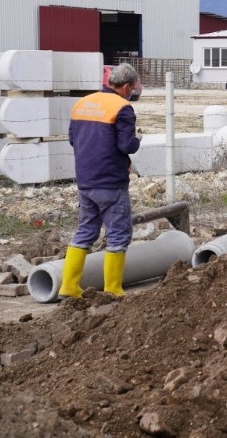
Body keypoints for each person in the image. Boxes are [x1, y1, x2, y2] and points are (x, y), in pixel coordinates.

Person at [58, 63, 142, 299]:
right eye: (133, 87)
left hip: (86, 180)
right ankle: (113, 289)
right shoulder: (122, 108)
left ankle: (69, 286)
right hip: (111, 181)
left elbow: (73, 140)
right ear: (126, 87)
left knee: (85, 231)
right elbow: (126, 145)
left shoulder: (83, 103)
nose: (133, 91)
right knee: (118, 234)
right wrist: (138, 141)